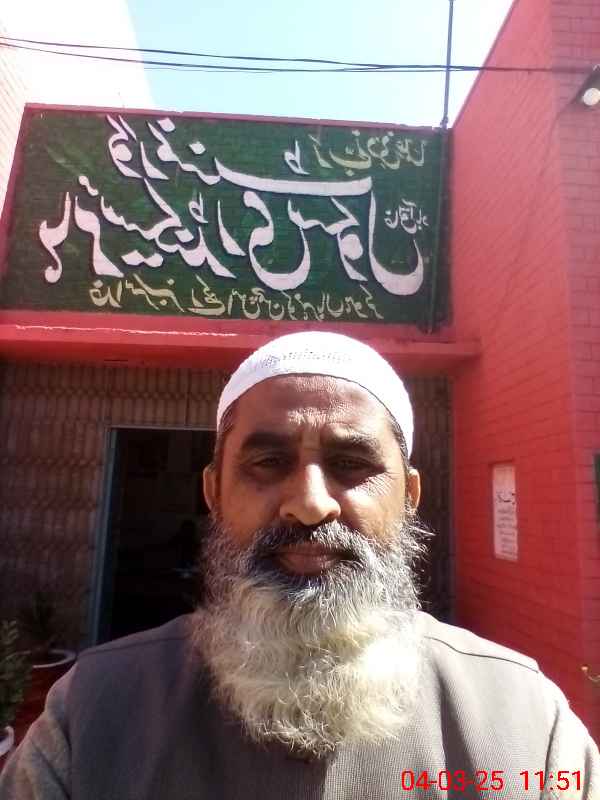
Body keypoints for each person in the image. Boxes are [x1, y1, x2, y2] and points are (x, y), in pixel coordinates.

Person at [1, 331, 598, 799]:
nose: (311, 504)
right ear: (213, 493)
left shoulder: (525, 727)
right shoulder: (90, 718)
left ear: (409, 497)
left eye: (352, 464)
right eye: (267, 463)